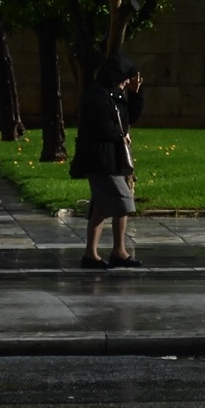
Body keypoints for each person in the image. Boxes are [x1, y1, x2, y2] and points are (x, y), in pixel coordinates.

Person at [70, 54, 145, 269]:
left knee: (102, 206)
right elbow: (100, 126)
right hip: (100, 159)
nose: (125, 83)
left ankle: (104, 253)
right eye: (125, 79)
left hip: (113, 157)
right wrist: (121, 135)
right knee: (122, 201)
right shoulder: (98, 95)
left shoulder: (116, 95)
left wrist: (136, 94)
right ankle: (108, 252)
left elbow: (130, 117)